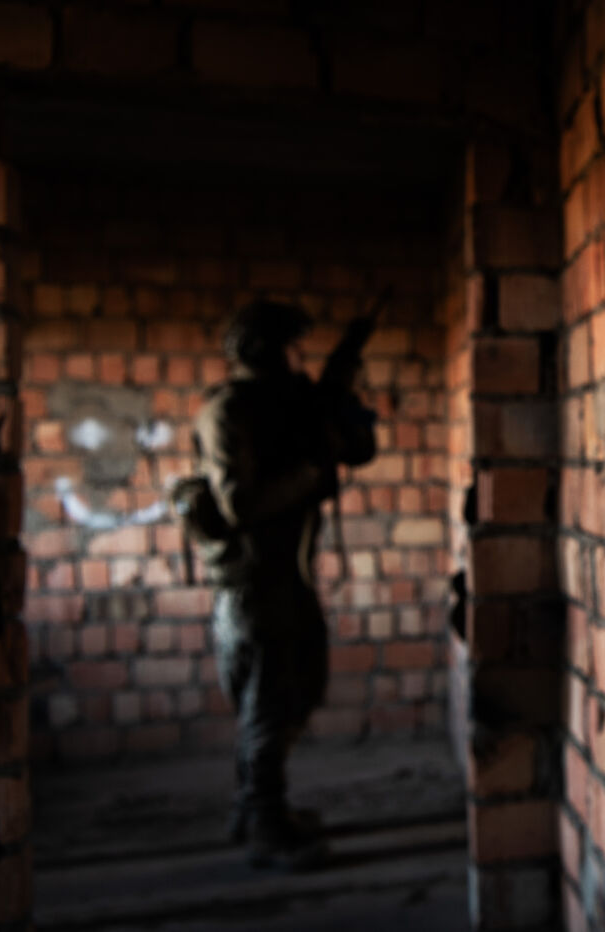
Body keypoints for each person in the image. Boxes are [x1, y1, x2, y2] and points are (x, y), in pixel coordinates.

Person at [191, 299, 376, 869]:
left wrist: (343, 376)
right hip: (253, 583)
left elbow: (350, 439)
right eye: (292, 348)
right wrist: (311, 474)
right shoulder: (228, 411)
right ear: (265, 351)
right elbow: (241, 503)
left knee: (295, 691)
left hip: (285, 578)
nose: (300, 360)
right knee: (269, 706)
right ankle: (265, 828)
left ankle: (253, 810)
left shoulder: (283, 405)